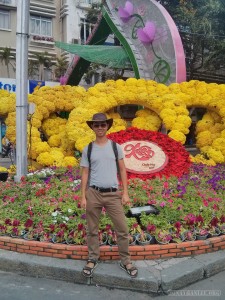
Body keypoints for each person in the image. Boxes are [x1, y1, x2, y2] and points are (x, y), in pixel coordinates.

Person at [80, 113, 138, 278]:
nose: (100, 128)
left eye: (103, 125)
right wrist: (83, 196)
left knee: (122, 229)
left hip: (113, 194)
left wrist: (125, 192)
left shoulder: (115, 147)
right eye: (96, 125)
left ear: (107, 126)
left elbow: (122, 170)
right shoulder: (88, 149)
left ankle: (125, 261)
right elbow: (85, 173)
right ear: (92, 127)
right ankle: (92, 258)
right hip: (93, 193)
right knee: (92, 229)